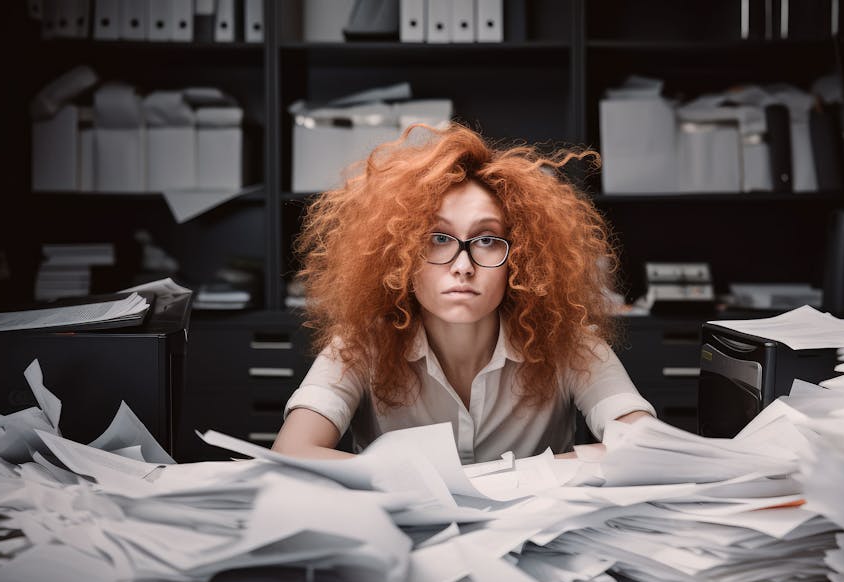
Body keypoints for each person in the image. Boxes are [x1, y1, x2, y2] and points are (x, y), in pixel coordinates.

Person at [272, 123, 655, 463]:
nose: (462, 265)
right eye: (438, 238)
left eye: (487, 239)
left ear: (520, 257)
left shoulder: (569, 343)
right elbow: (291, 452)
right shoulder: (361, 344)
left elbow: (647, 448)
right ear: (398, 254)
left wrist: (505, 480)